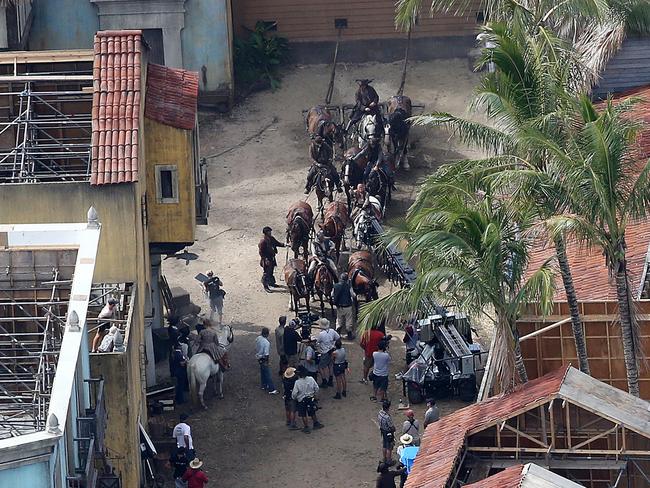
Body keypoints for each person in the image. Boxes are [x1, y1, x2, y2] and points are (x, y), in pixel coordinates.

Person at [291, 366, 324, 434]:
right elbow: (317, 388)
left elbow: (294, 394)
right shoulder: (311, 379)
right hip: (311, 398)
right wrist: (314, 394)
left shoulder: (297, 382)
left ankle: (306, 427)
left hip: (302, 400)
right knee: (312, 411)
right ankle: (315, 423)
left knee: (303, 414)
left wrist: (295, 398)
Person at [258, 226, 285, 292]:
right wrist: (265, 259)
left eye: (270, 231)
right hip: (266, 259)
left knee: (271, 271)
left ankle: (271, 283)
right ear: (265, 233)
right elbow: (261, 252)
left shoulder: (271, 238)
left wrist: (285, 245)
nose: (270, 233)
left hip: (272, 258)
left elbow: (277, 243)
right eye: (268, 232)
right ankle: (265, 285)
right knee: (266, 273)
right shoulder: (263, 241)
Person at [316, 318, 340, 388]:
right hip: (332, 350)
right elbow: (338, 338)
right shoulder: (332, 331)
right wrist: (333, 343)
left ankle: (324, 381)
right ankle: (330, 379)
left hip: (325, 352)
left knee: (321, 367)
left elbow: (317, 342)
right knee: (330, 365)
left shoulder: (321, 334)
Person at [333, 273, 356, 339]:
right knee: (349, 320)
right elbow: (353, 295)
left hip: (339, 307)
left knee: (339, 320)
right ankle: (349, 335)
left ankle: (337, 334)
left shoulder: (336, 285)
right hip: (348, 306)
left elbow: (332, 294)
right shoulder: (348, 286)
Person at [255, 327, 278, 394]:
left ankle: (264, 385)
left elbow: (256, 347)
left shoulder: (258, 338)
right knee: (268, 374)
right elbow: (266, 354)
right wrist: (267, 362)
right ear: (267, 334)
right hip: (263, 358)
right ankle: (271, 389)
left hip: (258, 357)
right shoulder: (266, 342)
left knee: (262, 372)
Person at [378, 399, 396, 465]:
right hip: (388, 432)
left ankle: (384, 458)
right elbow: (391, 426)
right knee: (389, 447)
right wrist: (394, 429)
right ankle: (389, 461)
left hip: (383, 430)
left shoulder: (380, 413)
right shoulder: (387, 417)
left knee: (384, 445)